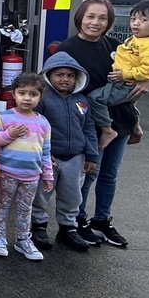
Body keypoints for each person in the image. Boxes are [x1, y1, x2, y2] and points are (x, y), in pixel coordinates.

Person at [57, 0, 149, 247]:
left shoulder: (118, 45)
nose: (95, 22)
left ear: (109, 22)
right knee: (88, 175)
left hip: (120, 121)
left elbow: (146, 74)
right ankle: (77, 222)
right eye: (91, 16)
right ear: (80, 17)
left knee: (110, 175)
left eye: (102, 18)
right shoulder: (67, 50)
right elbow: (60, 90)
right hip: (88, 125)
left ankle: (101, 220)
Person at [31, 52, 99, 251]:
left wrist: (92, 155)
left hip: (76, 158)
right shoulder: (43, 100)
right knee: (41, 194)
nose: (65, 79)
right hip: (49, 158)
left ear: (77, 79)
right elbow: (36, 128)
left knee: (72, 195)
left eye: (70, 75)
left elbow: (89, 128)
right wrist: (42, 154)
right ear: (48, 76)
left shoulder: (82, 101)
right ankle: (38, 226)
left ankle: (68, 228)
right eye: (59, 74)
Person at [85, 0, 149, 146]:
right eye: (133, 19)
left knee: (95, 99)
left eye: (143, 20)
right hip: (122, 82)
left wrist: (127, 75)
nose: (136, 23)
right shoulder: (138, 40)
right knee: (129, 104)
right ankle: (135, 126)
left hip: (124, 84)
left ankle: (107, 129)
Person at [0, 72, 53, 261]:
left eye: (33, 94)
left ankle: (23, 239)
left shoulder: (43, 122)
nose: (27, 98)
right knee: (2, 205)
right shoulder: (4, 117)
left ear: (40, 97)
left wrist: (48, 175)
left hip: (32, 176)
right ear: (13, 94)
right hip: (7, 172)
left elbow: (46, 151)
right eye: (22, 93)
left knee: (26, 209)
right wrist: (9, 134)